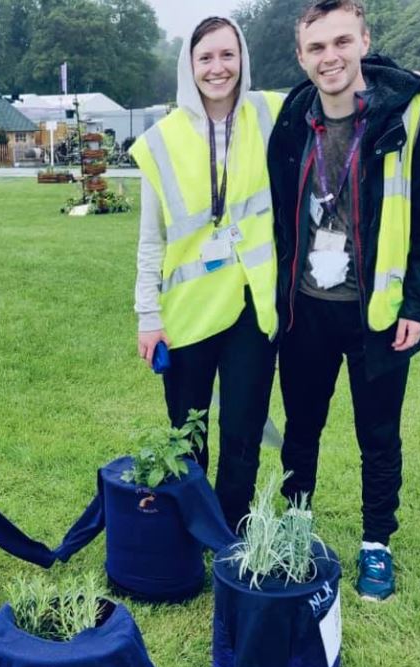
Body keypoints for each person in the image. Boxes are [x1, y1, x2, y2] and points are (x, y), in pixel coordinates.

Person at [267, 0, 420, 600]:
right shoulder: (292, 118)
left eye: (342, 43)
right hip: (304, 307)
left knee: (378, 435)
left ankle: (377, 543)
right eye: (317, 47)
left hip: (375, 312)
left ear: (364, 43)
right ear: (301, 57)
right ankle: (295, 528)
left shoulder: (409, 118)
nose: (331, 58)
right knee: (301, 428)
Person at [129, 17, 283, 533]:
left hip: (251, 306)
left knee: (242, 430)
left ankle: (230, 532)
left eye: (227, 55)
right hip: (188, 313)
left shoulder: (271, 113)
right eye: (205, 58)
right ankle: (191, 529)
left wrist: (413, 84)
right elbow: (151, 240)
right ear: (188, 66)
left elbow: (336, 80)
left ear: (242, 58)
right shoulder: (161, 142)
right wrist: (148, 316)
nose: (217, 68)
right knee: (187, 432)